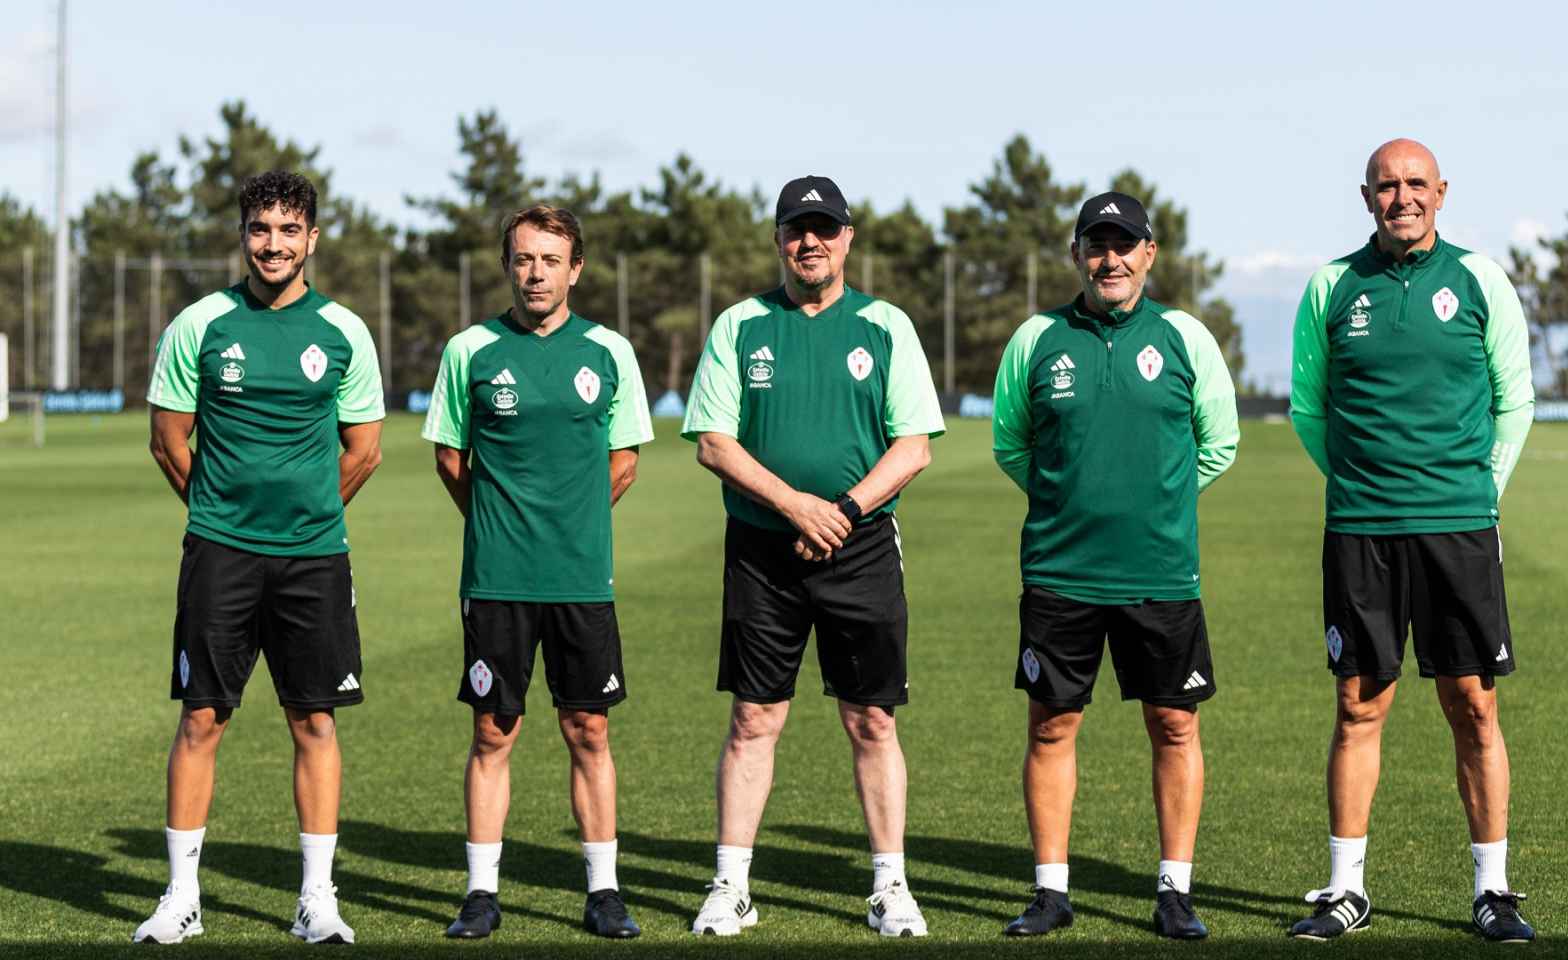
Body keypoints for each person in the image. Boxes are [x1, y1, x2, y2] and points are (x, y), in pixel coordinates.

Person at [680, 175, 944, 938]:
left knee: (872, 721)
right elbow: (713, 443)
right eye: (798, 228)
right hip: (764, 548)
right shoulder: (740, 325)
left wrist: (845, 510)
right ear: (778, 239)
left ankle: (890, 886)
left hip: (860, 547)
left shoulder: (886, 325)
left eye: (825, 228)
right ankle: (731, 885)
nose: (811, 241)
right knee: (755, 716)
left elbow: (914, 445)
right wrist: (795, 505)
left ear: (848, 239)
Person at [1287, 138, 1536, 942]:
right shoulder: (1331, 286)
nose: (1403, 197)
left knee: (1472, 706)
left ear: (1443, 193)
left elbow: (1515, 401)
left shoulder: (1479, 279)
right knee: (1360, 705)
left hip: (1459, 530)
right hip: (1362, 530)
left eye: (1416, 184)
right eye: (1387, 186)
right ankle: (1342, 890)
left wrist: (1475, 491)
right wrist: (1363, 483)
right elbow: (1309, 410)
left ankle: (1493, 890)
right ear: (1366, 198)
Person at [137, 171, 384, 945]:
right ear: (243, 236)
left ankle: (317, 897)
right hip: (220, 555)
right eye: (259, 229)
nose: (273, 245)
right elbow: (168, 441)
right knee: (202, 716)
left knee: (314, 719)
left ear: (313, 238)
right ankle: (182, 896)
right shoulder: (199, 324)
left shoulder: (344, 330)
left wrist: (302, 515)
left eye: (288, 230)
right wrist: (223, 517)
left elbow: (365, 451)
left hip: (314, 558)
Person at [992, 191, 1239, 940]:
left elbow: (1219, 443)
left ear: (1149, 254)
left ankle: (1174, 892)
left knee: (1173, 724)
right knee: (1050, 726)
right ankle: (1051, 891)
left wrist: (1153, 498)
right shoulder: (1036, 339)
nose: (1111, 259)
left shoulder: (1185, 337)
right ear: (1076, 256)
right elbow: (1012, 443)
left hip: (1160, 572)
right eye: (1096, 246)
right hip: (1060, 573)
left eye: (1124, 244)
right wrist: (1073, 500)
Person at [422, 204, 654, 940]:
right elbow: (451, 458)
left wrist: (568, 521)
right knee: (494, 731)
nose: (536, 273)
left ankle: (604, 890)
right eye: (524, 259)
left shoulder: (610, 351)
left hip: (582, 578)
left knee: (589, 729)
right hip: (497, 579)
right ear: (507, 266)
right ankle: (482, 893)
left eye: (551, 260)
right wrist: (500, 522)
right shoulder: (471, 349)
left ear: (576, 269)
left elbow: (625, 460)